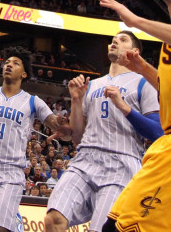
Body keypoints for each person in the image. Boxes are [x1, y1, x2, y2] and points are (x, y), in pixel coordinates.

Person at [44, 31, 161, 232]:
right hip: (85, 159)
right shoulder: (93, 84)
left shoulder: (144, 83)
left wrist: (125, 108)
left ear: (135, 52)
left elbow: (157, 132)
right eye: (114, 39)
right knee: (53, 219)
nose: (115, 41)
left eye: (123, 40)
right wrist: (77, 100)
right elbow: (79, 139)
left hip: (122, 162)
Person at [0, 54, 72, 232]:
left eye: (15, 63)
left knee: (1, 228)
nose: (9, 65)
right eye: (7, 62)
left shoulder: (33, 101)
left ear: (24, 74)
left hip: (11, 172)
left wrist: (65, 131)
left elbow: (60, 130)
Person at [96, 0, 171, 232]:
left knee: (126, 227)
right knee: (115, 224)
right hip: (162, 152)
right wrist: (142, 68)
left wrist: (134, 20)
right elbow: (166, 87)